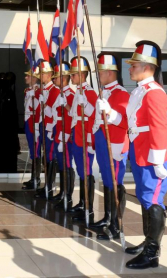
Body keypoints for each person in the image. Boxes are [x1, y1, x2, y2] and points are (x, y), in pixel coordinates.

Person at [123, 41, 167, 269]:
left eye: (133, 65)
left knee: (153, 201)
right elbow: (133, 121)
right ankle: (147, 241)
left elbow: (160, 127)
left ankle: (152, 253)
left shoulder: (155, 93)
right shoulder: (140, 91)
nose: (129, 68)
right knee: (143, 198)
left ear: (147, 66)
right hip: (140, 151)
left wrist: (159, 160)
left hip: (153, 155)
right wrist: (109, 112)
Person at [92, 54, 128, 241]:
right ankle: (108, 217)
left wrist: (111, 112)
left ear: (109, 73)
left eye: (99, 72)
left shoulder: (121, 93)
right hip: (103, 141)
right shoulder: (104, 92)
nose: (98, 75)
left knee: (115, 182)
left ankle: (116, 225)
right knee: (107, 179)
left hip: (114, 144)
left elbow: (124, 123)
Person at [67, 57, 98, 223]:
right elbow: (74, 116)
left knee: (86, 172)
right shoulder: (79, 92)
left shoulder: (90, 92)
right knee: (81, 171)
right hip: (76, 135)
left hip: (84, 138)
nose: (71, 78)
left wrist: (85, 105)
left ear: (82, 75)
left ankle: (89, 209)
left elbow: (96, 115)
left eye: (73, 75)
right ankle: (82, 203)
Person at [50, 62, 75, 209]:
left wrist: (64, 136)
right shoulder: (61, 93)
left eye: (56, 78)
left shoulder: (70, 94)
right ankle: (62, 192)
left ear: (63, 78)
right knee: (61, 163)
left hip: (65, 133)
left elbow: (71, 118)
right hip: (58, 131)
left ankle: (68, 196)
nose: (54, 80)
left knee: (66, 164)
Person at [35, 62, 60, 199]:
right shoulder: (44, 90)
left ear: (50, 75)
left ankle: (50, 187)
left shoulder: (54, 90)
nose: (40, 76)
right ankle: (47, 185)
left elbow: (53, 113)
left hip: (50, 128)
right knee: (47, 155)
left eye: (42, 74)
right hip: (44, 126)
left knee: (50, 156)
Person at [22, 68, 41, 190]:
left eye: (28, 76)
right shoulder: (28, 91)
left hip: (34, 122)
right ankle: (33, 177)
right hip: (28, 121)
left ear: (34, 78)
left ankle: (36, 179)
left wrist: (37, 124)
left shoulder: (38, 91)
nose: (25, 78)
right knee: (32, 150)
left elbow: (39, 109)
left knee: (36, 151)